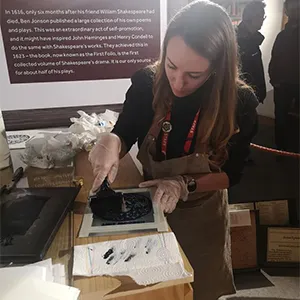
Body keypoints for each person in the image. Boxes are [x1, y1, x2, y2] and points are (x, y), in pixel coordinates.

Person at [89, 1, 258, 299]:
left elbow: (231, 175)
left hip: (203, 214)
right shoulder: (146, 83)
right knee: (156, 289)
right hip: (151, 203)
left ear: (218, 67)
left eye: (194, 75)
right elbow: (125, 130)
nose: (178, 83)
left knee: (199, 287)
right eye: (171, 66)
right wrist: (109, 142)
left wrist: (183, 183)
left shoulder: (239, 103)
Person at [269, 0, 299, 152]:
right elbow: (275, 57)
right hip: (283, 84)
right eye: (291, 9)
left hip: (296, 84)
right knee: (281, 118)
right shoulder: (282, 36)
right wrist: (275, 79)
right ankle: (281, 149)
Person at [237, 1, 266, 104]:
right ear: (249, 17)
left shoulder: (253, 40)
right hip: (240, 95)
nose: (262, 20)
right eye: (260, 16)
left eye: (263, 17)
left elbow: (256, 68)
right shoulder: (238, 40)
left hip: (249, 93)